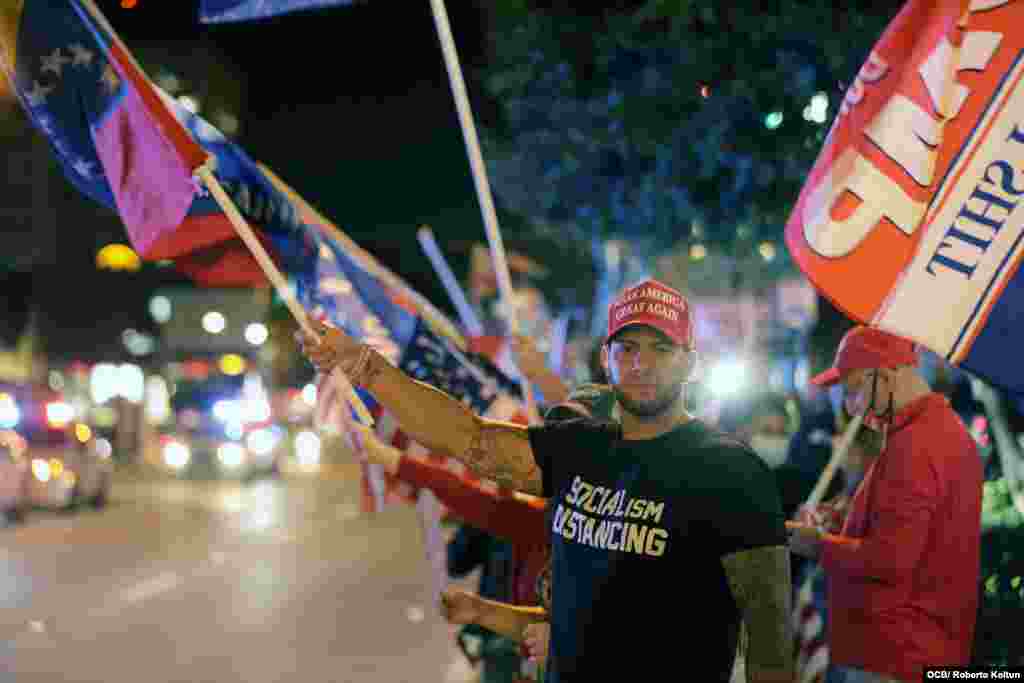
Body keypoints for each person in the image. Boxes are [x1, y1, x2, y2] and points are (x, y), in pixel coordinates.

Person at [298, 278, 793, 682]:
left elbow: (770, 640)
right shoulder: (578, 447)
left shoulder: (733, 474)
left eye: (661, 349)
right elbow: (468, 438)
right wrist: (366, 367)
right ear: (607, 360)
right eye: (628, 348)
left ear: (690, 362)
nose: (642, 363)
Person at [787, 326, 983, 683]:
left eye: (853, 390)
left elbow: (889, 560)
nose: (850, 407)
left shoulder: (914, 445)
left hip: (895, 658)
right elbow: (914, 535)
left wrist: (812, 544)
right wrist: (844, 519)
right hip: (917, 652)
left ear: (884, 374)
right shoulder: (939, 431)